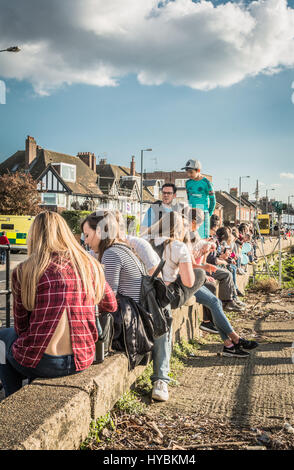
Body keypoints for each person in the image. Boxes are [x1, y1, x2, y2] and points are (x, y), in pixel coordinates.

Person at [0, 211, 117, 398]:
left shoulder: (25, 270)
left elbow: (21, 328)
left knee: (2, 339)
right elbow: (111, 305)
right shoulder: (90, 265)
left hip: (42, 362)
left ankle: (12, 396)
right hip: (83, 357)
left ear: (34, 237)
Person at [81, 211, 172, 402]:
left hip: (131, 326)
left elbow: (107, 298)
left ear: (99, 232)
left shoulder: (111, 254)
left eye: (87, 235)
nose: (86, 241)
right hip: (140, 319)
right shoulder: (121, 248)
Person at [148, 212, 258, 357]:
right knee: (213, 300)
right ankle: (235, 340)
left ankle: (230, 344)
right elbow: (188, 270)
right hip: (179, 285)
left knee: (215, 301)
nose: (187, 227)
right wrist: (203, 269)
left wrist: (204, 263)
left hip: (179, 282)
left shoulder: (175, 240)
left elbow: (192, 261)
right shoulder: (175, 243)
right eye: (184, 224)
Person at [182, 159, 216, 238]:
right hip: (190, 214)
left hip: (202, 214)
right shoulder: (188, 183)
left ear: (198, 170)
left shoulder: (207, 183)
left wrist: (208, 215)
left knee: (202, 239)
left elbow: (213, 201)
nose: (189, 174)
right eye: (187, 172)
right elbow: (189, 198)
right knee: (190, 238)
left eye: (191, 172)